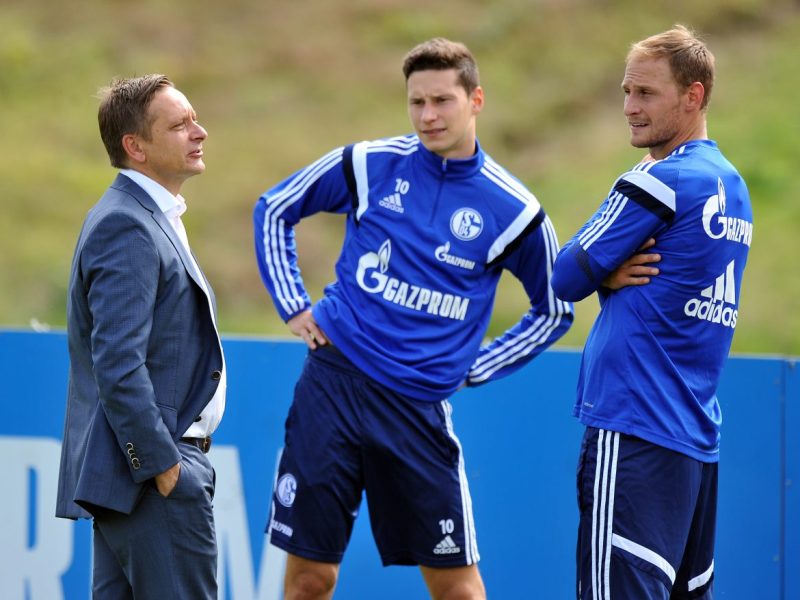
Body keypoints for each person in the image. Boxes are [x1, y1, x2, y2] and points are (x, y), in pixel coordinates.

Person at [254, 38, 573, 599]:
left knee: (458, 591)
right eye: (417, 102)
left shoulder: (515, 211)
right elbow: (276, 207)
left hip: (415, 408)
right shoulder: (370, 164)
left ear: (476, 100)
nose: (428, 116)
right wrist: (294, 305)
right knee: (309, 580)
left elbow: (555, 308)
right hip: (332, 386)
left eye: (442, 100)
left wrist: (475, 366)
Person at [550, 25, 752, 599]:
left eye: (646, 93)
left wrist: (603, 273)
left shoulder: (663, 180)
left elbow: (565, 276)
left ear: (694, 95)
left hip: (635, 425)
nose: (629, 108)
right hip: (693, 438)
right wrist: (610, 274)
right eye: (626, 91)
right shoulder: (733, 186)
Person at [55, 75, 226, 599]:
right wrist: (162, 467)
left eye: (194, 119)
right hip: (152, 479)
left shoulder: (147, 215)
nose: (199, 132)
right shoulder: (127, 224)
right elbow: (117, 364)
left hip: (135, 482)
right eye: (179, 125)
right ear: (136, 146)